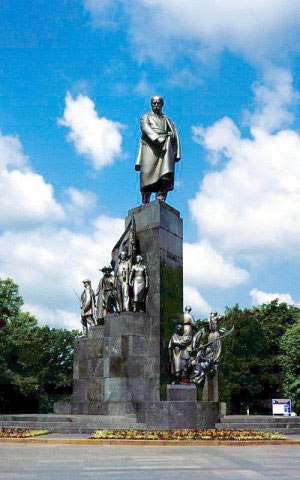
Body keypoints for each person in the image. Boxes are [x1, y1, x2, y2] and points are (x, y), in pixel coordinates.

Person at [135, 96, 181, 204]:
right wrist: (157, 138)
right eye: (154, 103)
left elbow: (175, 134)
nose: (156, 105)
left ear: (162, 104)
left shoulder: (167, 120)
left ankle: (161, 197)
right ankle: (145, 198)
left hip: (165, 147)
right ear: (151, 104)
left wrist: (171, 137)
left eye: (158, 103)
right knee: (147, 173)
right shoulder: (145, 117)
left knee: (164, 174)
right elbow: (145, 128)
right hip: (150, 147)